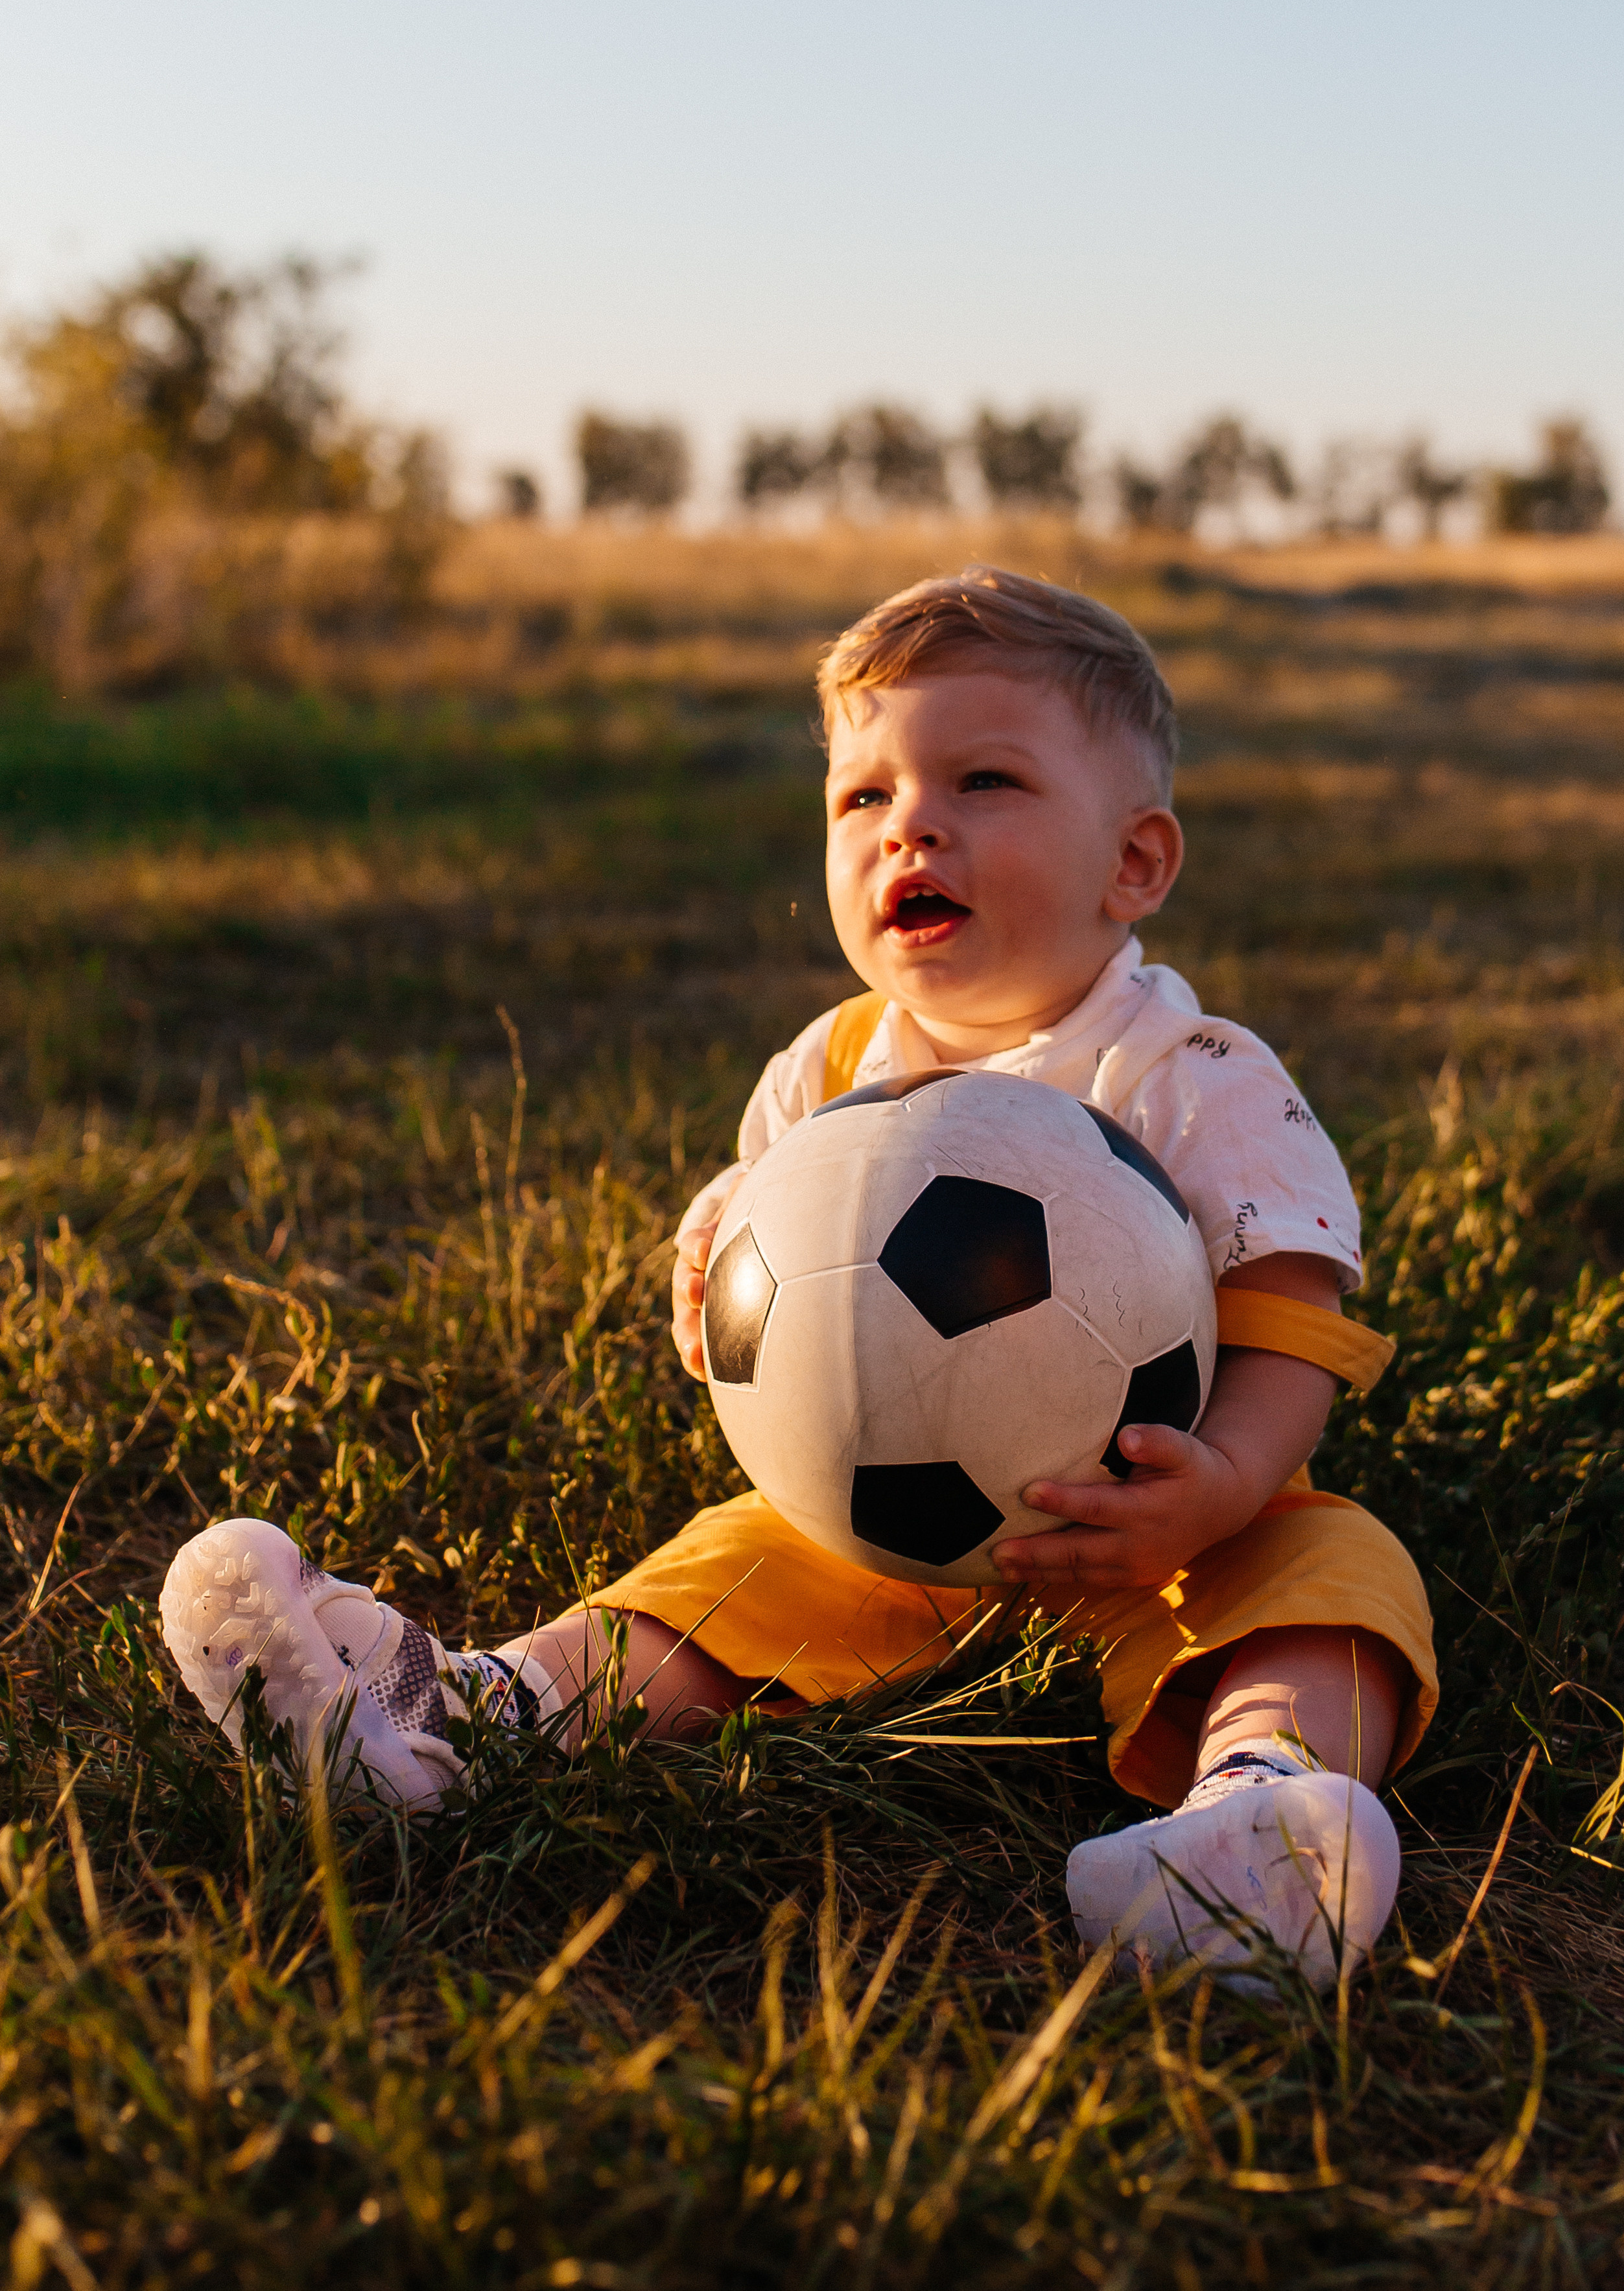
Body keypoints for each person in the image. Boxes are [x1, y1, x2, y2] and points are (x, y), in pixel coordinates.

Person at [161, 566, 1435, 1994]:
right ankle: (455, 1720)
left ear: (1132, 863)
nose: (913, 824)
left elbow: (1287, 1320)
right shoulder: (825, 1073)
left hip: (1165, 1530)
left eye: (984, 779)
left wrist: (1217, 1485)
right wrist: (705, 1281)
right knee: (707, 1580)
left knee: (1335, 1574)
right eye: (861, 797)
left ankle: (1259, 1820)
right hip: (866, 1533)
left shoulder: (1191, 1078)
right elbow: (742, 1271)